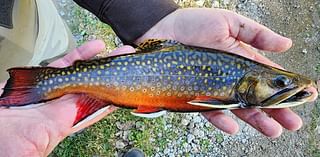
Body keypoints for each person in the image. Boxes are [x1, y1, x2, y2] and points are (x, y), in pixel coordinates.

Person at [0, 0, 318, 156]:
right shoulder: (232, 89)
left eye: (280, 84)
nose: (287, 88)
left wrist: (150, 15)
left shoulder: (237, 81)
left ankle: (43, 80)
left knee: (53, 50)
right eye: (279, 83)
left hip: (19, 22)